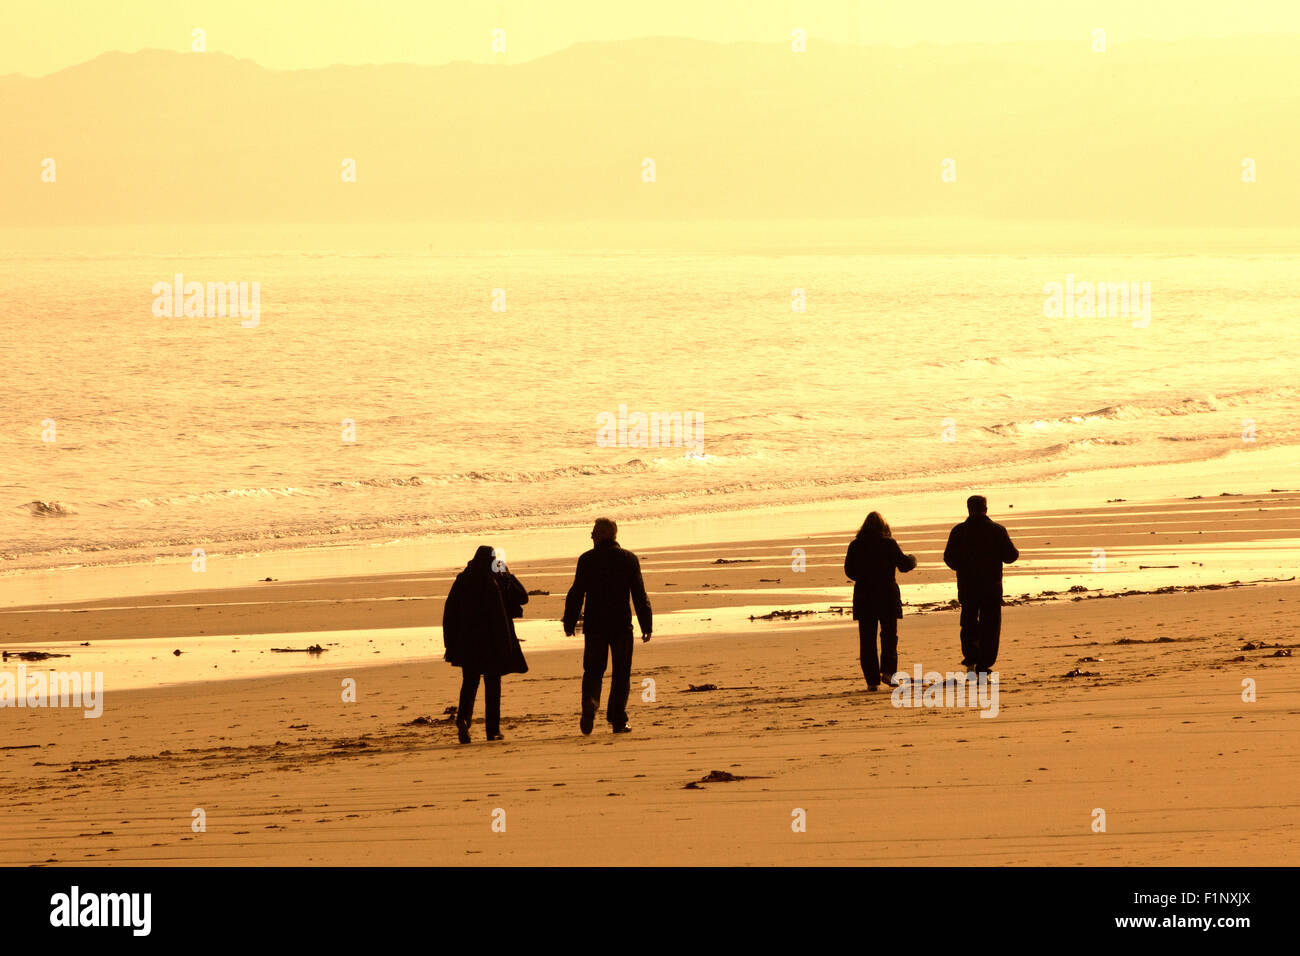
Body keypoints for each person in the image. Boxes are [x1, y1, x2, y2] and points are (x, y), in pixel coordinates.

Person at [562, 518, 652, 735]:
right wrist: (646, 623)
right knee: (621, 672)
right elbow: (639, 594)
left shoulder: (587, 559)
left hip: (595, 625)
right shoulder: (629, 559)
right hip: (621, 623)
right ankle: (617, 719)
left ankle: (591, 701)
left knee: (593, 670)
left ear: (602, 534)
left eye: (593, 532)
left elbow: (576, 593)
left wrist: (569, 621)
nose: (590, 535)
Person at [441, 545, 529, 744]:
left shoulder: (463, 580)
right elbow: (523, 597)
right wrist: (508, 573)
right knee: (492, 685)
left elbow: (450, 613)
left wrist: (450, 643)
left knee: (469, 684)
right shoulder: (497, 579)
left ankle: (464, 719)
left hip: (467, 643)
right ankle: (493, 730)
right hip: (494, 642)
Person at [942, 495, 1019, 675]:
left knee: (968, 623)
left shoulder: (959, 531)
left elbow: (948, 557)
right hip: (991, 585)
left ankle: (971, 659)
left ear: (968, 509)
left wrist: (961, 566)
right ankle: (984, 664)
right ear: (986, 508)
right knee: (990, 626)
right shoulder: (997, 530)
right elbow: (1011, 556)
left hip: (967, 585)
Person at [844, 511, 917, 690]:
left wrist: (864, 576)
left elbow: (849, 571)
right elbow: (904, 565)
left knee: (867, 640)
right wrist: (913, 560)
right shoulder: (889, 544)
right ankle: (889, 672)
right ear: (884, 527)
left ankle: (871, 681)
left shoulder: (855, 545)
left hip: (864, 595)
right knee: (889, 636)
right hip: (887, 594)